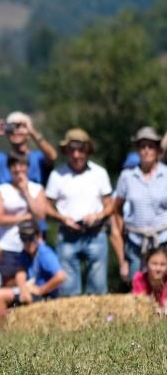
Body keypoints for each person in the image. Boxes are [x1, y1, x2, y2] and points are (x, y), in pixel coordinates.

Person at [44, 128, 113, 295]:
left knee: (98, 289)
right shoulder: (57, 175)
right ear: (66, 151)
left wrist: (98, 215)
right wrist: (62, 218)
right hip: (67, 235)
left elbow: (110, 205)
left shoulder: (99, 173)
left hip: (95, 234)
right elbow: (46, 205)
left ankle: (99, 321)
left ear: (88, 150)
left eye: (81, 150)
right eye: (72, 150)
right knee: (69, 291)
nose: (76, 155)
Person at [111, 127, 167, 283]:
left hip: (162, 240)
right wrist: (122, 231)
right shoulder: (127, 177)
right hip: (136, 242)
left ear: (157, 150)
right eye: (142, 146)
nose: (146, 150)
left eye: (150, 146)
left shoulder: (166, 174)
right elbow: (117, 208)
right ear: (137, 150)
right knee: (138, 288)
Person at [0, 221, 67, 326]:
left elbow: (61, 277)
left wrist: (41, 290)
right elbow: (20, 272)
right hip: (30, 291)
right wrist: (23, 290)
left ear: (38, 236)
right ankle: (0, 331)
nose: (27, 242)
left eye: (30, 238)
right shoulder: (25, 253)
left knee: (0, 295)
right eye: (23, 238)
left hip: (46, 296)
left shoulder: (45, 253)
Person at [0, 154, 48, 286]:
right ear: (9, 168)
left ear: (28, 167)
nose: (18, 169)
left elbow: (40, 215)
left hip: (32, 246)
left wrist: (26, 192)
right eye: (14, 166)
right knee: (8, 286)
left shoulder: (37, 189)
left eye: (22, 165)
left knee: (32, 284)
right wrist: (24, 217)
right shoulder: (1, 190)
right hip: (7, 246)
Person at [0, 111, 57, 189]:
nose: (15, 131)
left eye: (20, 126)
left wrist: (33, 133)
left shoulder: (37, 158)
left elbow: (52, 156)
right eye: (11, 126)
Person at [131, 246, 167, 312]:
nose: (158, 269)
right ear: (146, 264)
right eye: (154, 264)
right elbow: (137, 303)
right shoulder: (139, 278)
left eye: (163, 265)